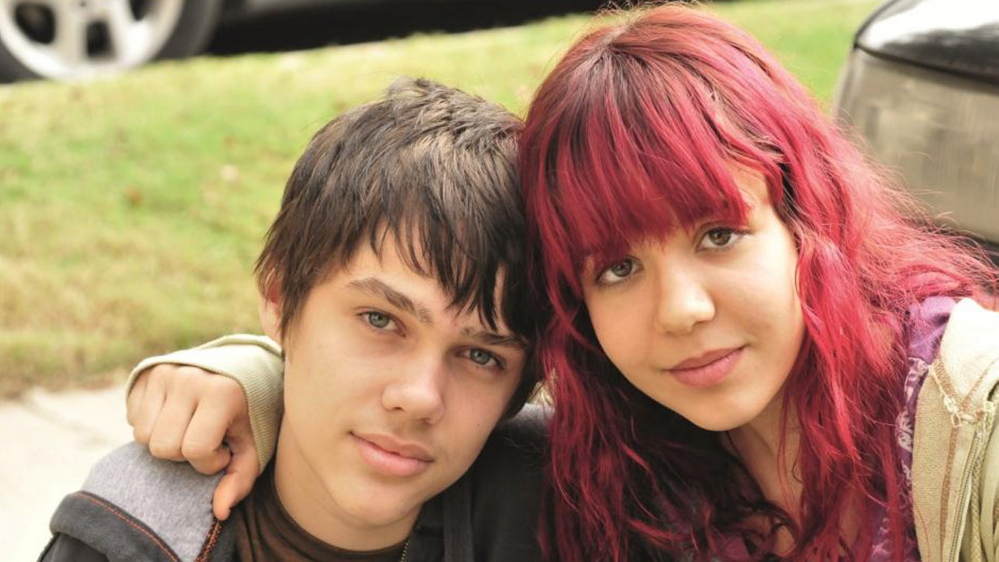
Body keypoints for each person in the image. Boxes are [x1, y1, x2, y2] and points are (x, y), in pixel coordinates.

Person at [123, 5, 999, 561]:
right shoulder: (622, 456)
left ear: (810, 221)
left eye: (718, 234)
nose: (681, 311)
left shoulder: (976, 426)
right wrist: (260, 375)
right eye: (617, 267)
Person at [40, 77, 547, 562]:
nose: (419, 398)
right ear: (280, 298)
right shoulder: (131, 533)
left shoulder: (557, 520)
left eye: (482, 355)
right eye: (379, 320)